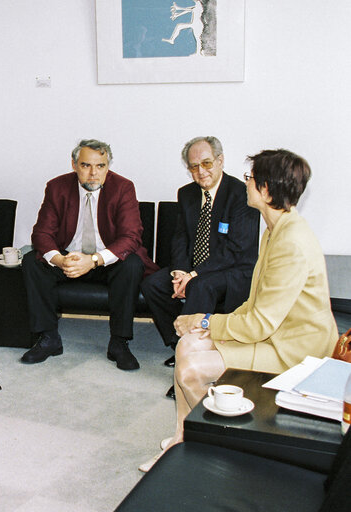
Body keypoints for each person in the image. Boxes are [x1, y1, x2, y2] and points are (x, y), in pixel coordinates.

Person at [140, 149, 338, 472]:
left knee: (191, 369)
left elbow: (259, 323)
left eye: (250, 179)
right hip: (276, 334)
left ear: (267, 191)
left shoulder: (291, 243)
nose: (245, 183)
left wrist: (205, 320)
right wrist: (204, 326)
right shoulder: (277, 228)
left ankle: (211, 445)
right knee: (187, 344)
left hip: (295, 351)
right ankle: (182, 436)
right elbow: (255, 302)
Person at [21, 139, 159, 370]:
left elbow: (131, 236)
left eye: (101, 166)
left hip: (106, 260)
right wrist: (60, 259)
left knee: (132, 264)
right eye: (86, 165)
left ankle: (119, 342)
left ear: (108, 166)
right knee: (32, 262)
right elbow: (42, 233)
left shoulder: (123, 187)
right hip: (70, 259)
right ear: (74, 165)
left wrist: (93, 260)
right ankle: (49, 338)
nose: (93, 173)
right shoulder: (57, 187)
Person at [141, 136, 259, 399]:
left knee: (202, 285)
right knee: (152, 284)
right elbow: (181, 236)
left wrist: (194, 275)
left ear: (220, 160)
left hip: (234, 269)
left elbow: (236, 249)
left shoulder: (242, 194)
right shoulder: (187, 194)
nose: (200, 172)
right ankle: (179, 344)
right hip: (194, 268)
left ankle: (190, 366)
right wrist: (179, 272)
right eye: (193, 166)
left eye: (206, 163)